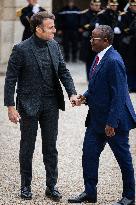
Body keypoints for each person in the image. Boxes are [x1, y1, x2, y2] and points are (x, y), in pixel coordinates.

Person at [4, 11, 78, 201]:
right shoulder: (20, 49)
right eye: (51, 27)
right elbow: (10, 79)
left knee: (51, 147)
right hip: (28, 104)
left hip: (51, 104)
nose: (55, 30)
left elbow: (63, 70)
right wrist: (10, 106)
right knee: (27, 147)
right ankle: (25, 186)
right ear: (38, 29)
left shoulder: (54, 45)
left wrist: (71, 93)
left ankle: (51, 186)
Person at [68, 25, 136, 205]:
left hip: (114, 121)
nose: (90, 40)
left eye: (94, 38)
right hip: (96, 119)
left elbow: (119, 94)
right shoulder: (99, 57)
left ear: (105, 41)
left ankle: (129, 197)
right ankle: (90, 193)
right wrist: (83, 98)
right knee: (88, 155)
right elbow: (97, 86)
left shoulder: (114, 61)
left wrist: (111, 123)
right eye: (91, 37)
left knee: (123, 159)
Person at [79, 0, 101, 81]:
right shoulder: (85, 13)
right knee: (89, 60)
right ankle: (90, 77)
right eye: (95, 5)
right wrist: (94, 25)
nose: (97, 7)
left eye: (98, 5)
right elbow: (83, 25)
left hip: (100, 41)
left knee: (99, 59)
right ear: (91, 5)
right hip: (89, 40)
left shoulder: (102, 13)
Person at [118, 0, 136, 92]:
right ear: (130, 6)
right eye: (133, 6)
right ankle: (130, 85)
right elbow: (123, 29)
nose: (135, 7)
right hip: (129, 44)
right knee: (129, 65)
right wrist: (132, 29)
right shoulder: (124, 15)